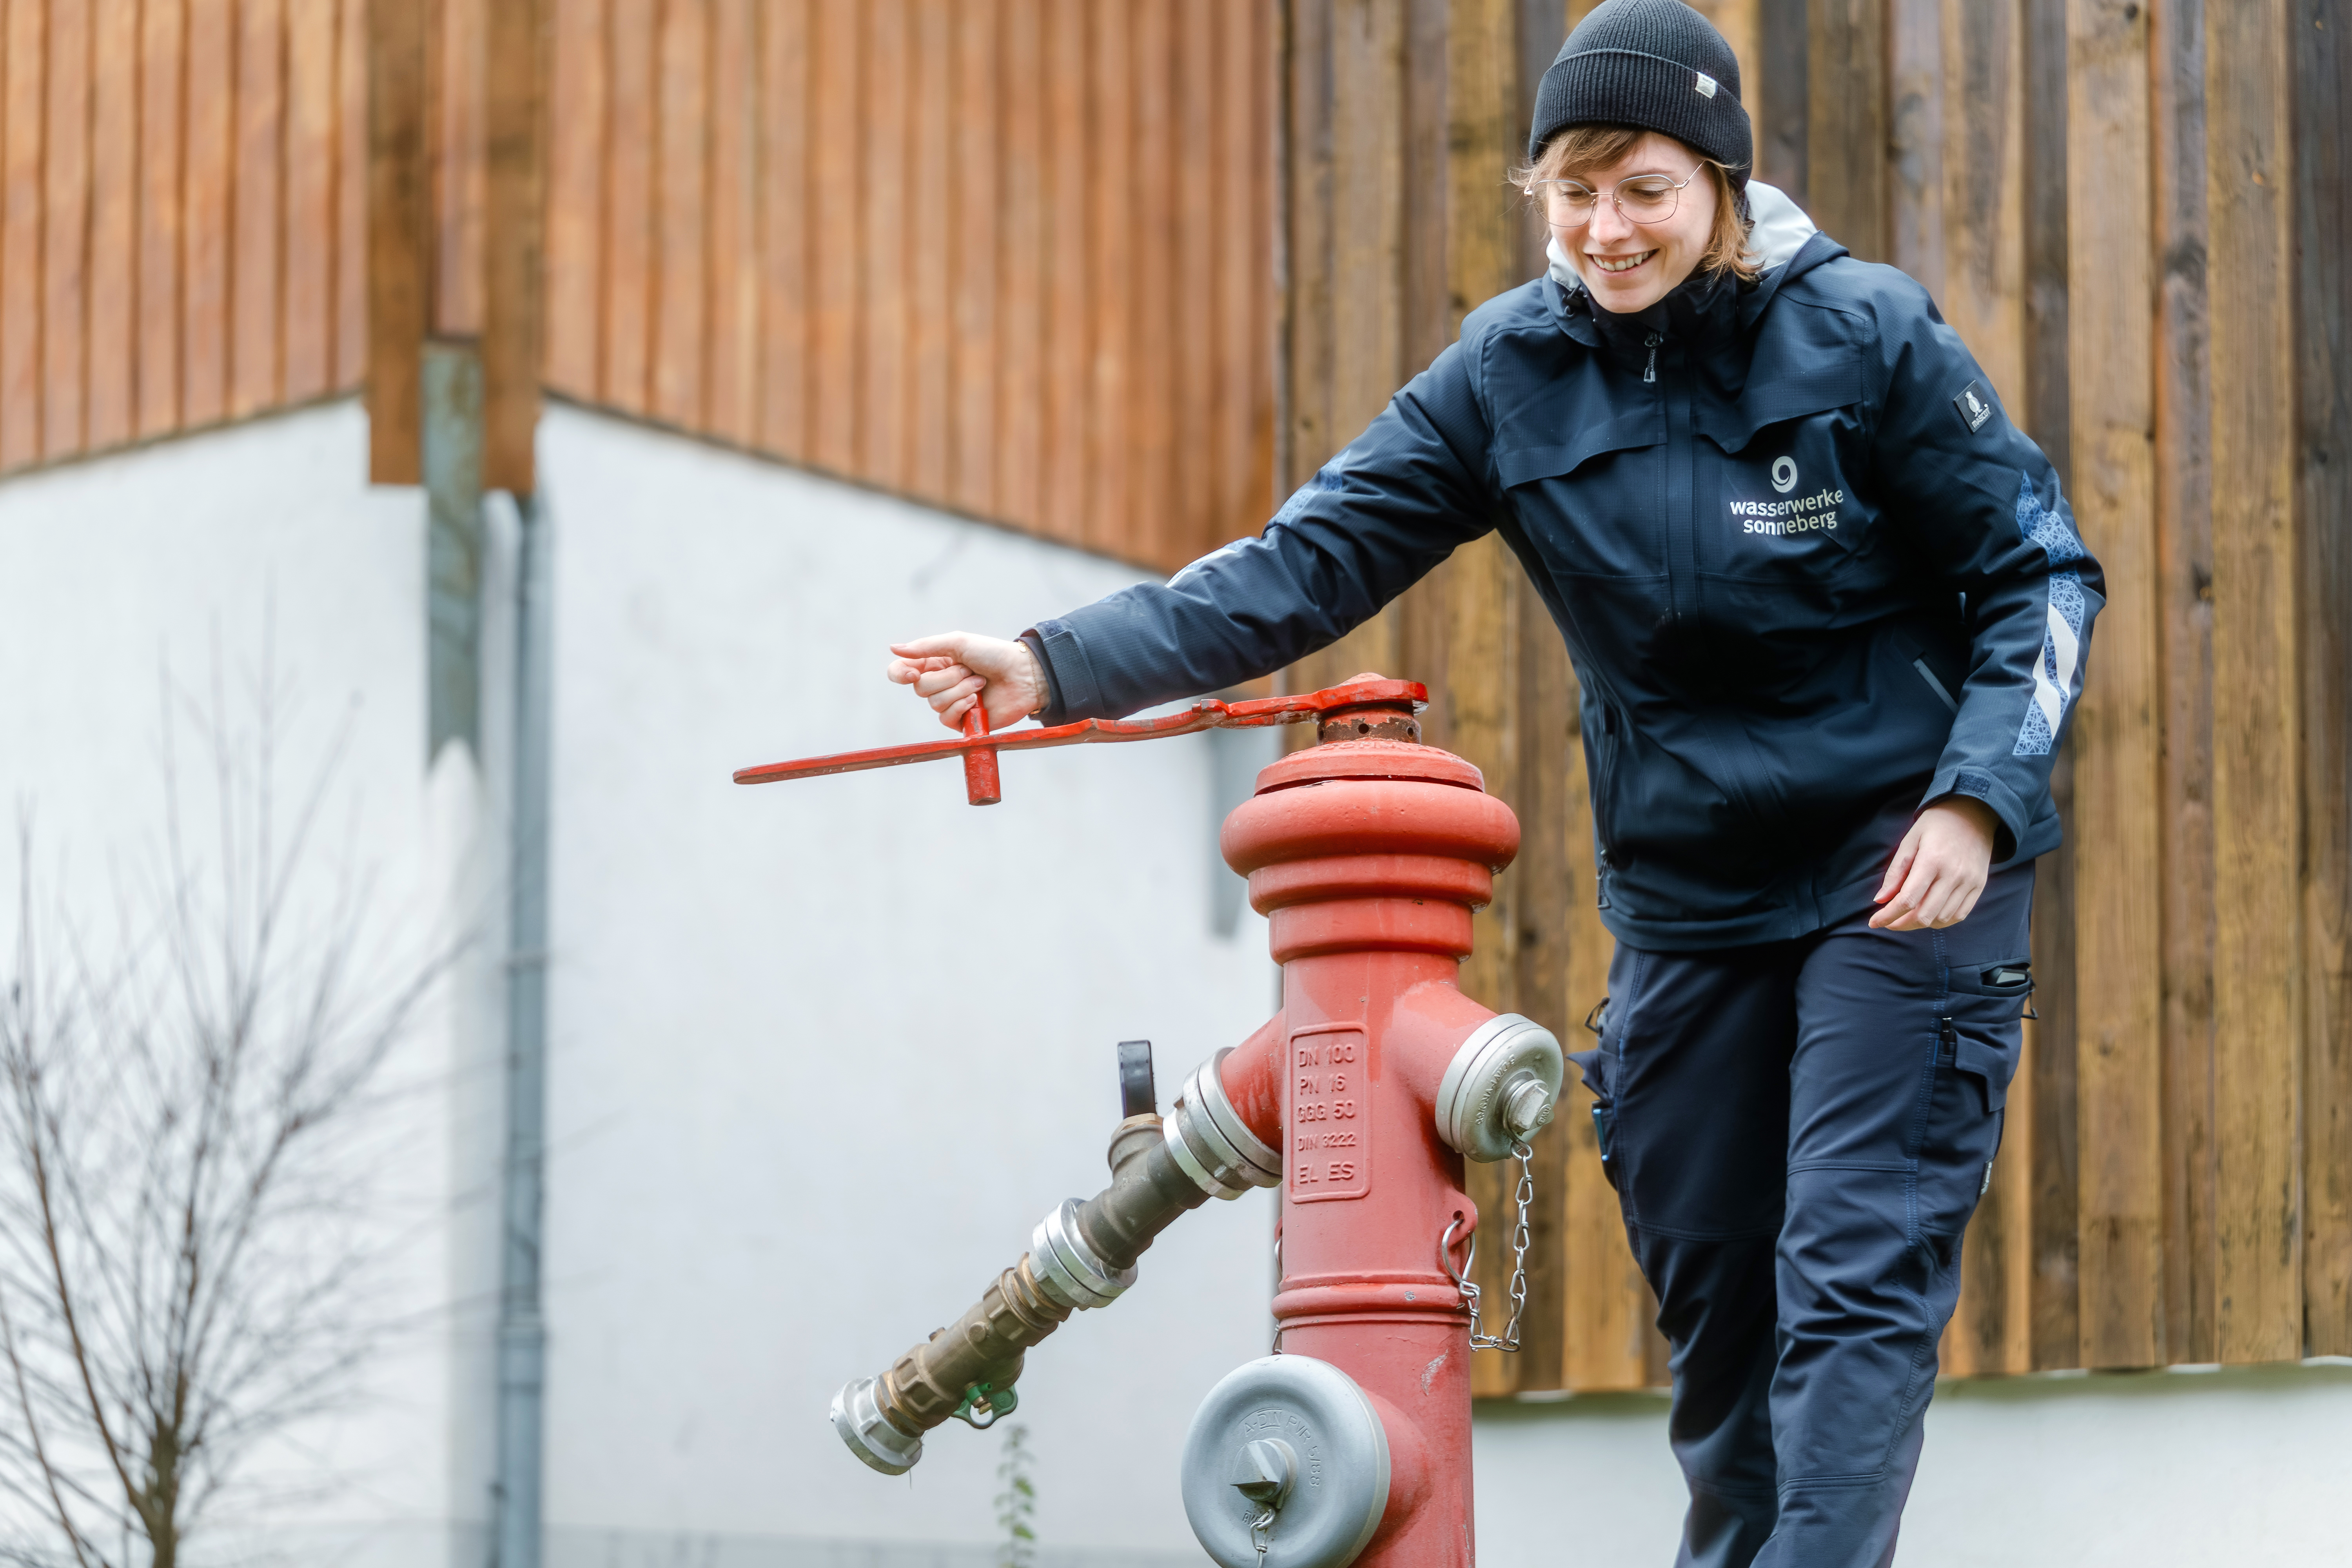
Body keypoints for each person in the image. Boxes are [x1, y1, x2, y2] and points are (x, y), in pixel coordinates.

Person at [884, 2, 2099, 1563]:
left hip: (1904, 859)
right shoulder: (1509, 374)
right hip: (1692, 894)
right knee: (1722, 1313)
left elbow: (2040, 571)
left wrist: (1975, 797)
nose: (1608, 229)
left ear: (1722, 185)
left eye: (1647, 188)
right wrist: (1054, 666)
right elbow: (1305, 563)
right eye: (1574, 190)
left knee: (1850, 1276)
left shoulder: (1863, 336)